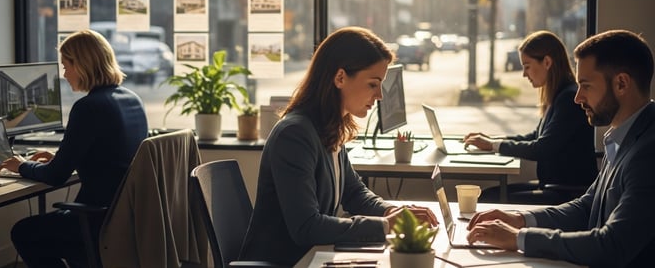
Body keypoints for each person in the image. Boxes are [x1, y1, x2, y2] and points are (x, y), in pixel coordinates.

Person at [239, 26, 438, 266]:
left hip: (314, 256)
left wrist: (391, 212)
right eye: (373, 84)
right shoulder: (295, 134)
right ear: (340, 77)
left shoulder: (329, 126)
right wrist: (386, 226)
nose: (379, 96)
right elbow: (306, 226)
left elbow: (354, 192)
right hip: (289, 262)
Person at [466, 29, 655, 268]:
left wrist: (520, 238)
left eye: (585, 86)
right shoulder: (622, 135)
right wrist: (521, 220)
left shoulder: (648, 152)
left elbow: (612, 245)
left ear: (621, 83)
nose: (577, 98)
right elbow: (587, 206)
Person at [0, 29, 149, 267]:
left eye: (66, 66)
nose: (65, 74)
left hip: (96, 221)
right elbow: (112, 156)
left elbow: (56, 176)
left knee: (24, 232)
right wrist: (64, 157)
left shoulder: (88, 107)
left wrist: (22, 166)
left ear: (81, 64)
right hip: (124, 217)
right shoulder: (132, 99)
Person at [463, 30, 598, 204]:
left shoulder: (568, 99)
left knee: (487, 198)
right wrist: (493, 140)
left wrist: (494, 145)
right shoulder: (558, 95)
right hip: (552, 186)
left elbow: (541, 148)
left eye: (527, 66)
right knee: (487, 195)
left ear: (547, 62)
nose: (524, 74)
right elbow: (535, 136)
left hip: (567, 193)